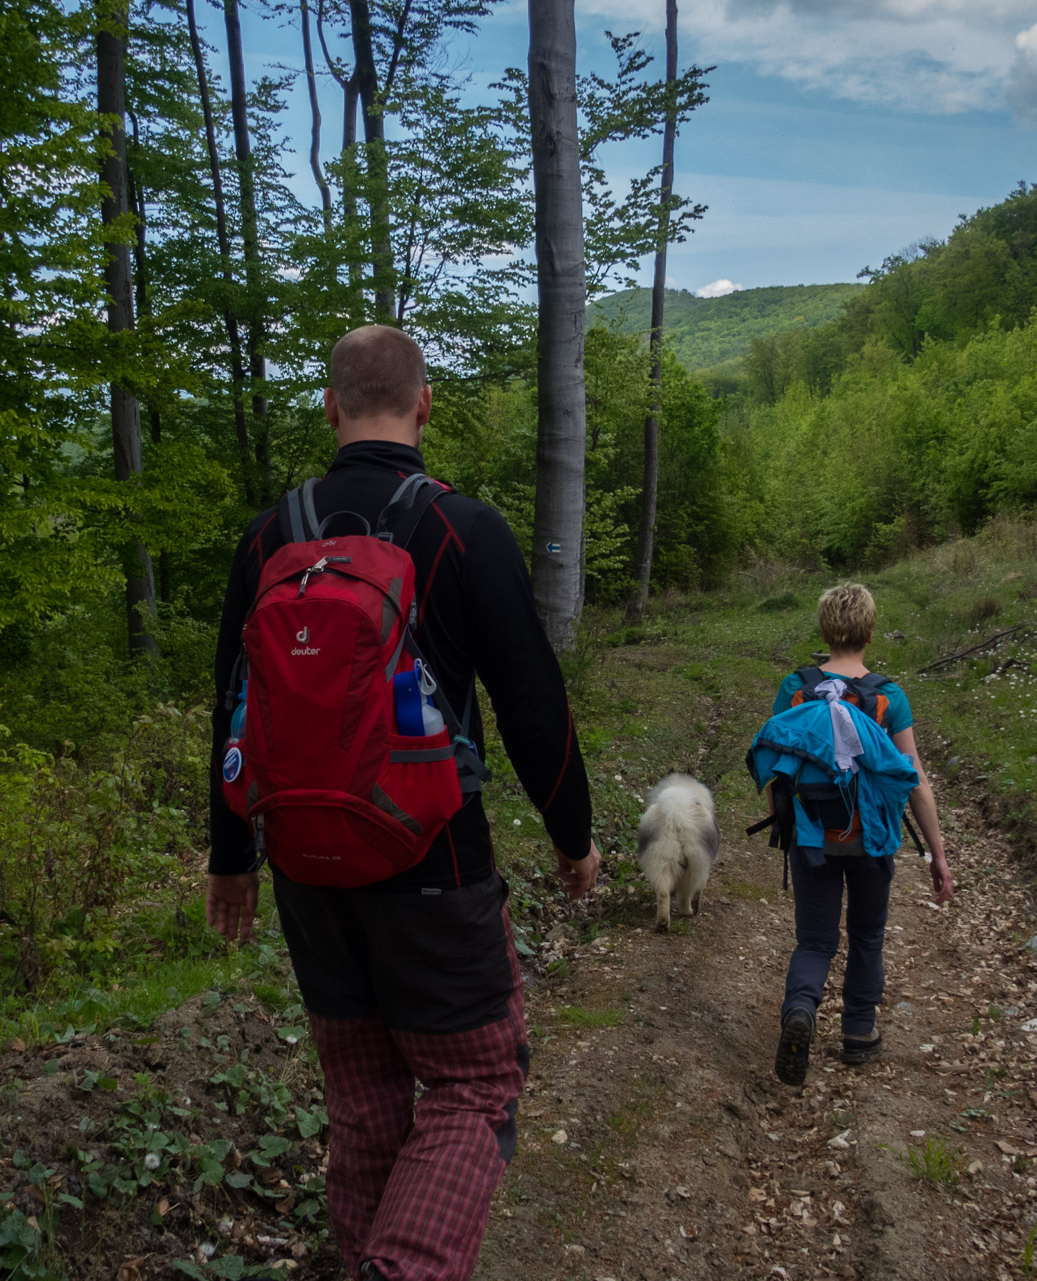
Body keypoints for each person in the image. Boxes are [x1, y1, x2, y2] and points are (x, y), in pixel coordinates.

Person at [204, 324, 599, 1281]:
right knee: (474, 1084)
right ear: (425, 403)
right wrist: (574, 835)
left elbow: (229, 705)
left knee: (366, 1097)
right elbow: (532, 706)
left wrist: (232, 857)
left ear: (330, 407)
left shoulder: (270, 535)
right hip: (436, 868)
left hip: (304, 866)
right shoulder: (464, 527)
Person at [771, 582, 954, 1087]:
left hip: (812, 836)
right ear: (870, 631)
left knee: (814, 940)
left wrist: (788, 827)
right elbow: (913, 781)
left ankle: (801, 1009)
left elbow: (778, 767)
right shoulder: (888, 696)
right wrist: (937, 854)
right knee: (868, 935)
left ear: (824, 630)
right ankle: (858, 1034)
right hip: (871, 838)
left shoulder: (796, 688)